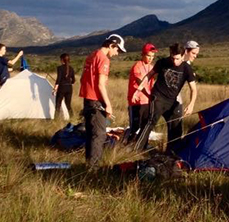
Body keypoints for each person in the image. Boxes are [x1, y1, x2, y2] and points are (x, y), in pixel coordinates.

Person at [135, 42, 198, 153]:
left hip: (172, 101)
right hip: (158, 97)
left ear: (183, 56)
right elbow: (149, 75)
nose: (174, 61)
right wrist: (138, 90)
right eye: (172, 58)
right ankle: (137, 150)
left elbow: (193, 89)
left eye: (177, 59)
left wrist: (191, 104)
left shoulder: (186, 68)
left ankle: (172, 153)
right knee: (150, 121)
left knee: (176, 127)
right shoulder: (162, 62)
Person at [79, 34, 126, 168]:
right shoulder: (103, 59)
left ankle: (88, 164)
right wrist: (108, 105)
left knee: (90, 134)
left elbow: (83, 79)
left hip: (87, 100)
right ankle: (94, 168)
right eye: (117, 50)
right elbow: (100, 84)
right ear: (112, 45)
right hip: (95, 101)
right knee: (99, 135)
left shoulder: (91, 56)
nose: (117, 53)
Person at [127, 43, 158, 141]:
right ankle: (129, 146)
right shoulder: (137, 66)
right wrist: (148, 93)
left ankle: (141, 145)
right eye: (149, 56)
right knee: (135, 127)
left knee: (145, 126)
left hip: (147, 101)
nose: (150, 58)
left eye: (153, 56)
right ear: (143, 54)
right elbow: (140, 81)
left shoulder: (151, 67)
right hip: (137, 101)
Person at [54, 53, 75, 119]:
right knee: (68, 105)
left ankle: (56, 119)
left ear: (62, 59)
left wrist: (55, 88)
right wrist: (69, 82)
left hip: (62, 88)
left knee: (58, 104)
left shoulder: (59, 68)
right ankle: (72, 118)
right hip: (69, 88)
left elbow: (58, 79)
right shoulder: (71, 68)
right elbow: (73, 80)